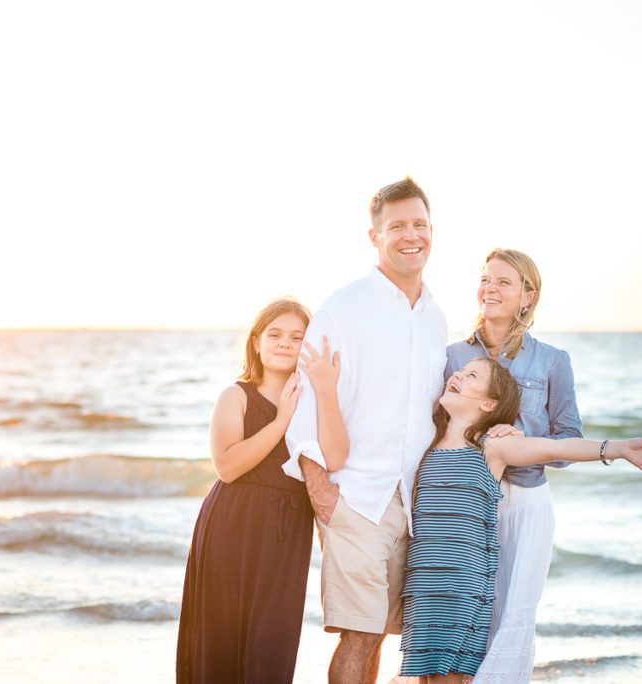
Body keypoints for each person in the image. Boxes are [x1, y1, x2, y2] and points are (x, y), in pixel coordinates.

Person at [400, 357, 642, 682]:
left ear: (488, 403)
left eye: (471, 376)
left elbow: (557, 447)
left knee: (448, 679)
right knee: (424, 678)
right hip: (423, 582)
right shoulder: (428, 439)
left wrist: (616, 448)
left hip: (463, 584)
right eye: (459, 371)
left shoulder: (492, 445)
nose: (457, 375)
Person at [282, 177, 451, 684]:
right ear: (374, 236)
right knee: (358, 632)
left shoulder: (436, 317)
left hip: (413, 500)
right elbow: (307, 404)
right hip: (355, 495)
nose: (410, 235)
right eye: (396, 226)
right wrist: (320, 491)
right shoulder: (344, 307)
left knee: (381, 631)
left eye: (419, 224)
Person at [176, 298, 337, 683]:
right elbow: (228, 467)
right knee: (222, 633)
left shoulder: (313, 403)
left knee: (272, 638)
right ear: (256, 343)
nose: (285, 343)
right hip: (233, 523)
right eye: (275, 334)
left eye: (297, 336)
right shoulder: (236, 396)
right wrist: (282, 420)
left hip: (287, 528)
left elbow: (334, 458)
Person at [445, 248, 581, 682]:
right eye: (486, 279)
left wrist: (527, 442)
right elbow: (434, 431)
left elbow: (569, 443)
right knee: (464, 620)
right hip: (467, 506)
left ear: (528, 295)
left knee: (513, 621)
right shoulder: (451, 356)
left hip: (526, 503)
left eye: (504, 282)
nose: (490, 289)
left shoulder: (552, 361)